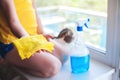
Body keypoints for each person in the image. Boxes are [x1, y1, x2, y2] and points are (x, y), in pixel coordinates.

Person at [0, 0, 68, 78]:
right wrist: (32, 42)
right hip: (12, 43)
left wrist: (41, 33)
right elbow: (13, 22)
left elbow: (35, 13)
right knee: (53, 67)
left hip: (32, 37)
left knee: (64, 56)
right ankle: (8, 61)